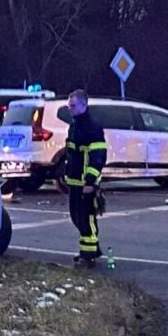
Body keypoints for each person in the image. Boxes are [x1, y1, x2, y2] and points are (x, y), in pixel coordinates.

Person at [62, 90, 108, 268]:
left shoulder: (92, 127)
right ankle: (88, 251)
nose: (70, 109)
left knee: (86, 218)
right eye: (69, 105)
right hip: (75, 181)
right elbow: (71, 154)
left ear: (83, 105)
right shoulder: (75, 125)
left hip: (85, 183)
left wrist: (90, 181)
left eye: (73, 106)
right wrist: (66, 176)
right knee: (76, 217)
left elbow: (98, 156)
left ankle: (88, 256)